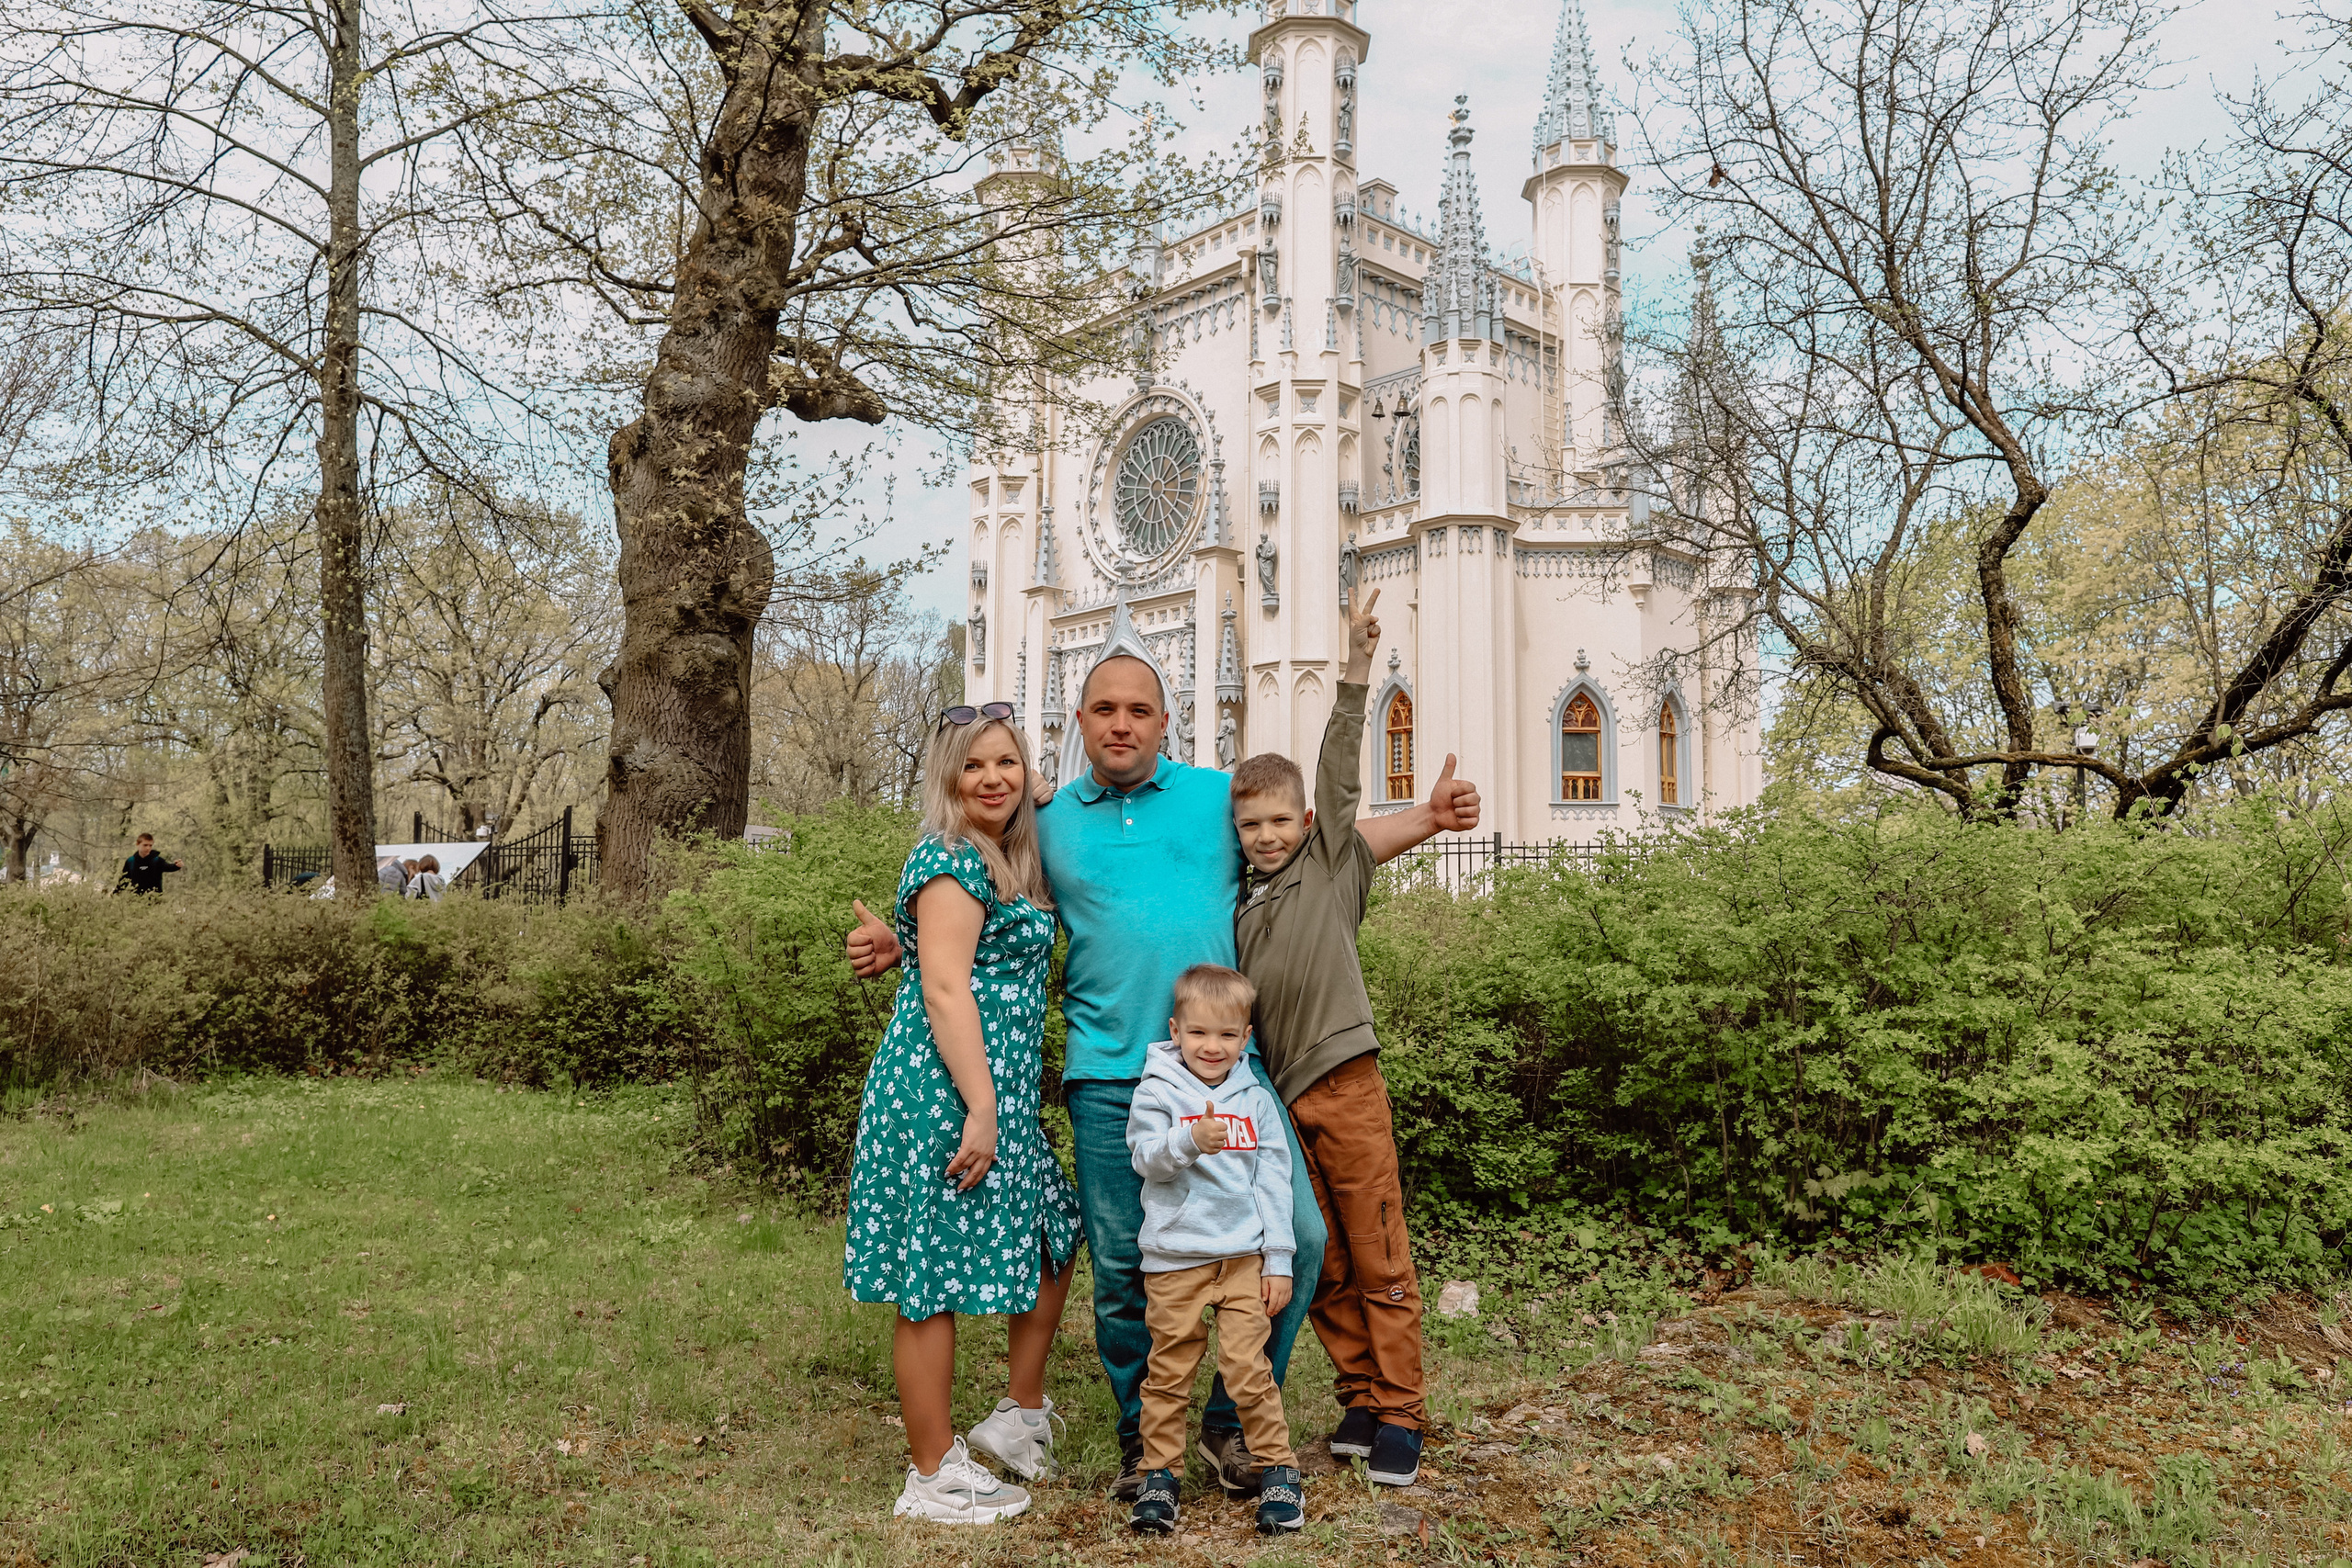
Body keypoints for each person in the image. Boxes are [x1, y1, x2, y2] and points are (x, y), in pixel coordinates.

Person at [849, 643, 1482, 1501]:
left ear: (1165, 720)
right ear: (1078, 723)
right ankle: (1145, 1438)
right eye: (1103, 709)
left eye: (1138, 709)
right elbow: (980, 894)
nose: (1121, 723)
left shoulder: (1217, 798)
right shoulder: (1049, 820)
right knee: (1123, 1272)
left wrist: (1428, 820)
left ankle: (1225, 1420)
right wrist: (908, 941)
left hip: (1228, 1073)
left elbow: (1311, 847)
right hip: (1110, 1078)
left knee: (1295, 1237)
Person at [842, 702, 1082, 1526]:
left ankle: (1017, 1418)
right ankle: (933, 1471)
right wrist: (980, 1106)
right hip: (947, 1089)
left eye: (1005, 763)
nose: (992, 779)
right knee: (930, 1273)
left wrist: (901, 945)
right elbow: (947, 989)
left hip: (996, 1094)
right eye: (972, 765)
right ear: (947, 777)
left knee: (1055, 1225)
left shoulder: (1006, 854)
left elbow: (956, 956)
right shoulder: (948, 857)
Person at [1228, 585, 1431, 1486]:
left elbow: (1341, 761)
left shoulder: (1332, 863)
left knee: (1379, 1250)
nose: (1267, 835)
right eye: (1250, 825)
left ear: (1306, 823)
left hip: (1345, 1080)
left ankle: (1403, 1413)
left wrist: (1355, 668)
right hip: (1278, 1097)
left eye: (1280, 820)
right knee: (1322, 1259)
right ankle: (1358, 1397)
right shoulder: (1239, 903)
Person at [1125, 964, 1304, 1537]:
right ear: (1176, 1031)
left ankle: (1278, 1471)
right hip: (1175, 1260)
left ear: (1245, 1039)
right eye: (1199, 1033)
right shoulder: (1156, 1090)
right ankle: (1159, 1476)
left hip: (1243, 1260)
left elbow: (1274, 1178)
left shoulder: (1254, 1098)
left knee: (1249, 1370)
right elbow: (1144, 1157)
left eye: (1227, 1035)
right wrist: (1188, 1141)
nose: (1212, 1046)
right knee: (1169, 1372)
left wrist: (1278, 1259)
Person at [114, 834, 182, 895]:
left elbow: (169, 867)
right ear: (137, 844)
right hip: (135, 901)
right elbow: (123, 881)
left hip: (155, 900)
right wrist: (115, 894)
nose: (148, 848)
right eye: (145, 845)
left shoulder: (157, 861)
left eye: (150, 845)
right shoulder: (131, 861)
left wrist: (177, 865)